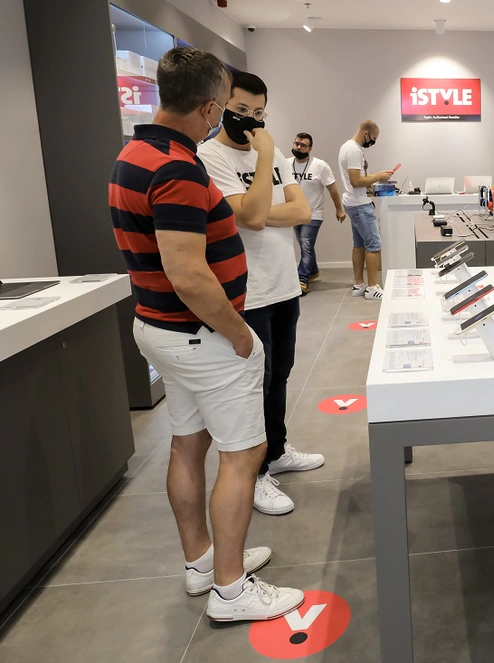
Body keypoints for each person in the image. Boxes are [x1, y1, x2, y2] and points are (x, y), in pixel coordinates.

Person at [108, 46, 303, 621]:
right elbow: (188, 272)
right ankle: (232, 589)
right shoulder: (176, 167)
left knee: (188, 444)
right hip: (199, 334)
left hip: (161, 328)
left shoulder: (135, 152)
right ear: (212, 106)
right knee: (245, 455)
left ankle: (202, 564)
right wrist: (238, 333)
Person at [198, 71, 326, 517]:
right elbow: (251, 218)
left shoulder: (275, 159)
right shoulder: (209, 156)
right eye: (241, 111)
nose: (250, 120)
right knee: (255, 381)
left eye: (258, 113)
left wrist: (260, 209)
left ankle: (276, 450)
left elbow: (302, 210)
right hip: (244, 292)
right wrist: (267, 155)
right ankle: (254, 473)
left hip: (283, 283)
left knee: (281, 373)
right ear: (221, 107)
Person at [338, 120, 393, 300]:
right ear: (366, 134)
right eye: (373, 138)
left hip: (353, 202)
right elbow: (356, 181)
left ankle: (359, 284)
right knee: (374, 245)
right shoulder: (354, 150)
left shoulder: (345, 147)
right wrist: (379, 176)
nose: (373, 142)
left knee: (359, 244)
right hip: (360, 204)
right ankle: (371, 287)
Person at [288, 132, 346, 294]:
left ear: (310, 148)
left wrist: (339, 209)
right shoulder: (285, 164)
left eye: (303, 145)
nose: (298, 147)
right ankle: (313, 270)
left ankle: (302, 279)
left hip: (314, 213)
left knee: (306, 243)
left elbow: (332, 188)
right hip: (294, 213)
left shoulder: (320, 166)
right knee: (305, 245)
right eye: (296, 144)